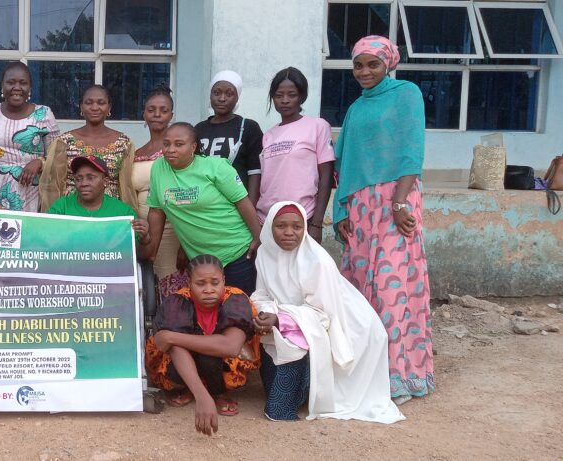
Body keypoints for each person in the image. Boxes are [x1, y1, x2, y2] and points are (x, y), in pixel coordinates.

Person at [333, 36, 434, 404]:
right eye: (358, 65)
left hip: (396, 201)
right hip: (360, 207)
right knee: (361, 292)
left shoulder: (407, 93)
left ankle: (400, 376)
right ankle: (367, 374)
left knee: (393, 290)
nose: (364, 72)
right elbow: (343, 163)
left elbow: (412, 150)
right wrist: (340, 212)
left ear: (388, 63)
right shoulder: (356, 108)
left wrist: (400, 202)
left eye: (372, 64)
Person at [251, 201, 405, 423]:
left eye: (296, 227)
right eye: (280, 226)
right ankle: (300, 389)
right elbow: (262, 294)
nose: (289, 233)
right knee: (276, 342)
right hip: (293, 322)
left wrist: (280, 318)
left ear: (304, 229)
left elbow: (323, 315)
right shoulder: (265, 254)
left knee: (289, 358)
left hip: (345, 324)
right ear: (269, 228)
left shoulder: (316, 260)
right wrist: (266, 313)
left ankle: (291, 400)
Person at [145, 255, 259, 435]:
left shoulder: (235, 299)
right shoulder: (178, 301)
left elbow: (231, 346)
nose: (209, 290)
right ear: (189, 283)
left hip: (220, 362)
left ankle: (218, 393)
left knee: (208, 354)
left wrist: (171, 337)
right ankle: (194, 389)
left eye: (215, 283)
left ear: (224, 280)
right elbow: (172, 347)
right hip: (183, 361)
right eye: (200, 284)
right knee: (180, 350)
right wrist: (202, 397)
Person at [146, 123, 262, 296]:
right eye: (166, 143)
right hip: (202, 262)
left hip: (237, 253)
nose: (170, 149)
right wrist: (151, 253)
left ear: (193, 147)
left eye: (179, 144)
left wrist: (258, 237)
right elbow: (156, 211)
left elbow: (242, 202)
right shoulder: (158, 168)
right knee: (207, 317)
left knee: (240, 312)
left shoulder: (216, 167)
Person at [0, 61, 61, 212]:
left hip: (31, 192)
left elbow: (58, 157)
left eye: (23, 83)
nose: (17, 87)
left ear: (30, 87)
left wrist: (40, 162)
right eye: (11, 82)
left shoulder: (44, 114)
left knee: (28, 233)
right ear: (2, 85)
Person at [258, 67, 334, 240]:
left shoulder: (317, 126)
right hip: (267, 219)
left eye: (291, 95)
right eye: (278, 95)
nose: (285, 100)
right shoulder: (268, 135)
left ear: (302, 97)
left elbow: (326, 176)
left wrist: (317, 223)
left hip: (302, 218)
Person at [40, 84, 136, 212]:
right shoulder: (64, 141)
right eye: (89, 103)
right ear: (81, 107)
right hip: (72, 211)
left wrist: (128, 218)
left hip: (110, 212)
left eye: (101, 103)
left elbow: (127, 187)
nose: (94, 107)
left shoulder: (124, 143)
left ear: (109, 108)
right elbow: (53, 185)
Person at [132, 85, 185, 297]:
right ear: (143, 114)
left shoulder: (177, 152)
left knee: (172, 290)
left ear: (171, 115)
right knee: (145, 289)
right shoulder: (135, 153)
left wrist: (185, 244)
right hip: (142, 230)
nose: (157, 114)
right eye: (151, 109)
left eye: (163, 110)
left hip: (174, 230)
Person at [47, 156, 152, 258]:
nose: (83, 183)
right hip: (70, 270)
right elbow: (46, 244)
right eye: (79, 179)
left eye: (90, 178)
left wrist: (145, 239)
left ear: (105, 181)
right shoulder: (61, 207)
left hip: (109, 273)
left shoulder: (123, 212)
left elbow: (141, 257)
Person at [195, 70, 264, 205]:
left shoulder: (249, 127)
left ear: (237, 97)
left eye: (229, 94)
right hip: (205, 204)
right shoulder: (199, 129)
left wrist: (250, 208)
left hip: (237, 205)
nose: (222, 98)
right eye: (216, 93)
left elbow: (255, 172)